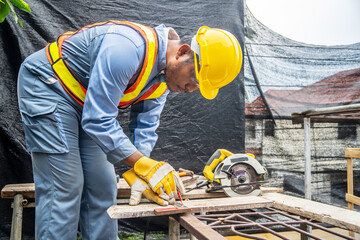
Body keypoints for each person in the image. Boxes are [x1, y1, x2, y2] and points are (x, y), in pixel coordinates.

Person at [17, 20, 242, 240]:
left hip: (87, 103)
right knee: (65, 186)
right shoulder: (126, 49)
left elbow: (144, 127)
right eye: (195, 78)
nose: (192, 89)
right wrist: (140, 163)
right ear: (182, 52)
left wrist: (142, 170)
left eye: (200, 86)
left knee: (103, 185)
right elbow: (98, 120)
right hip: (49, 86)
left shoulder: (163, 80)